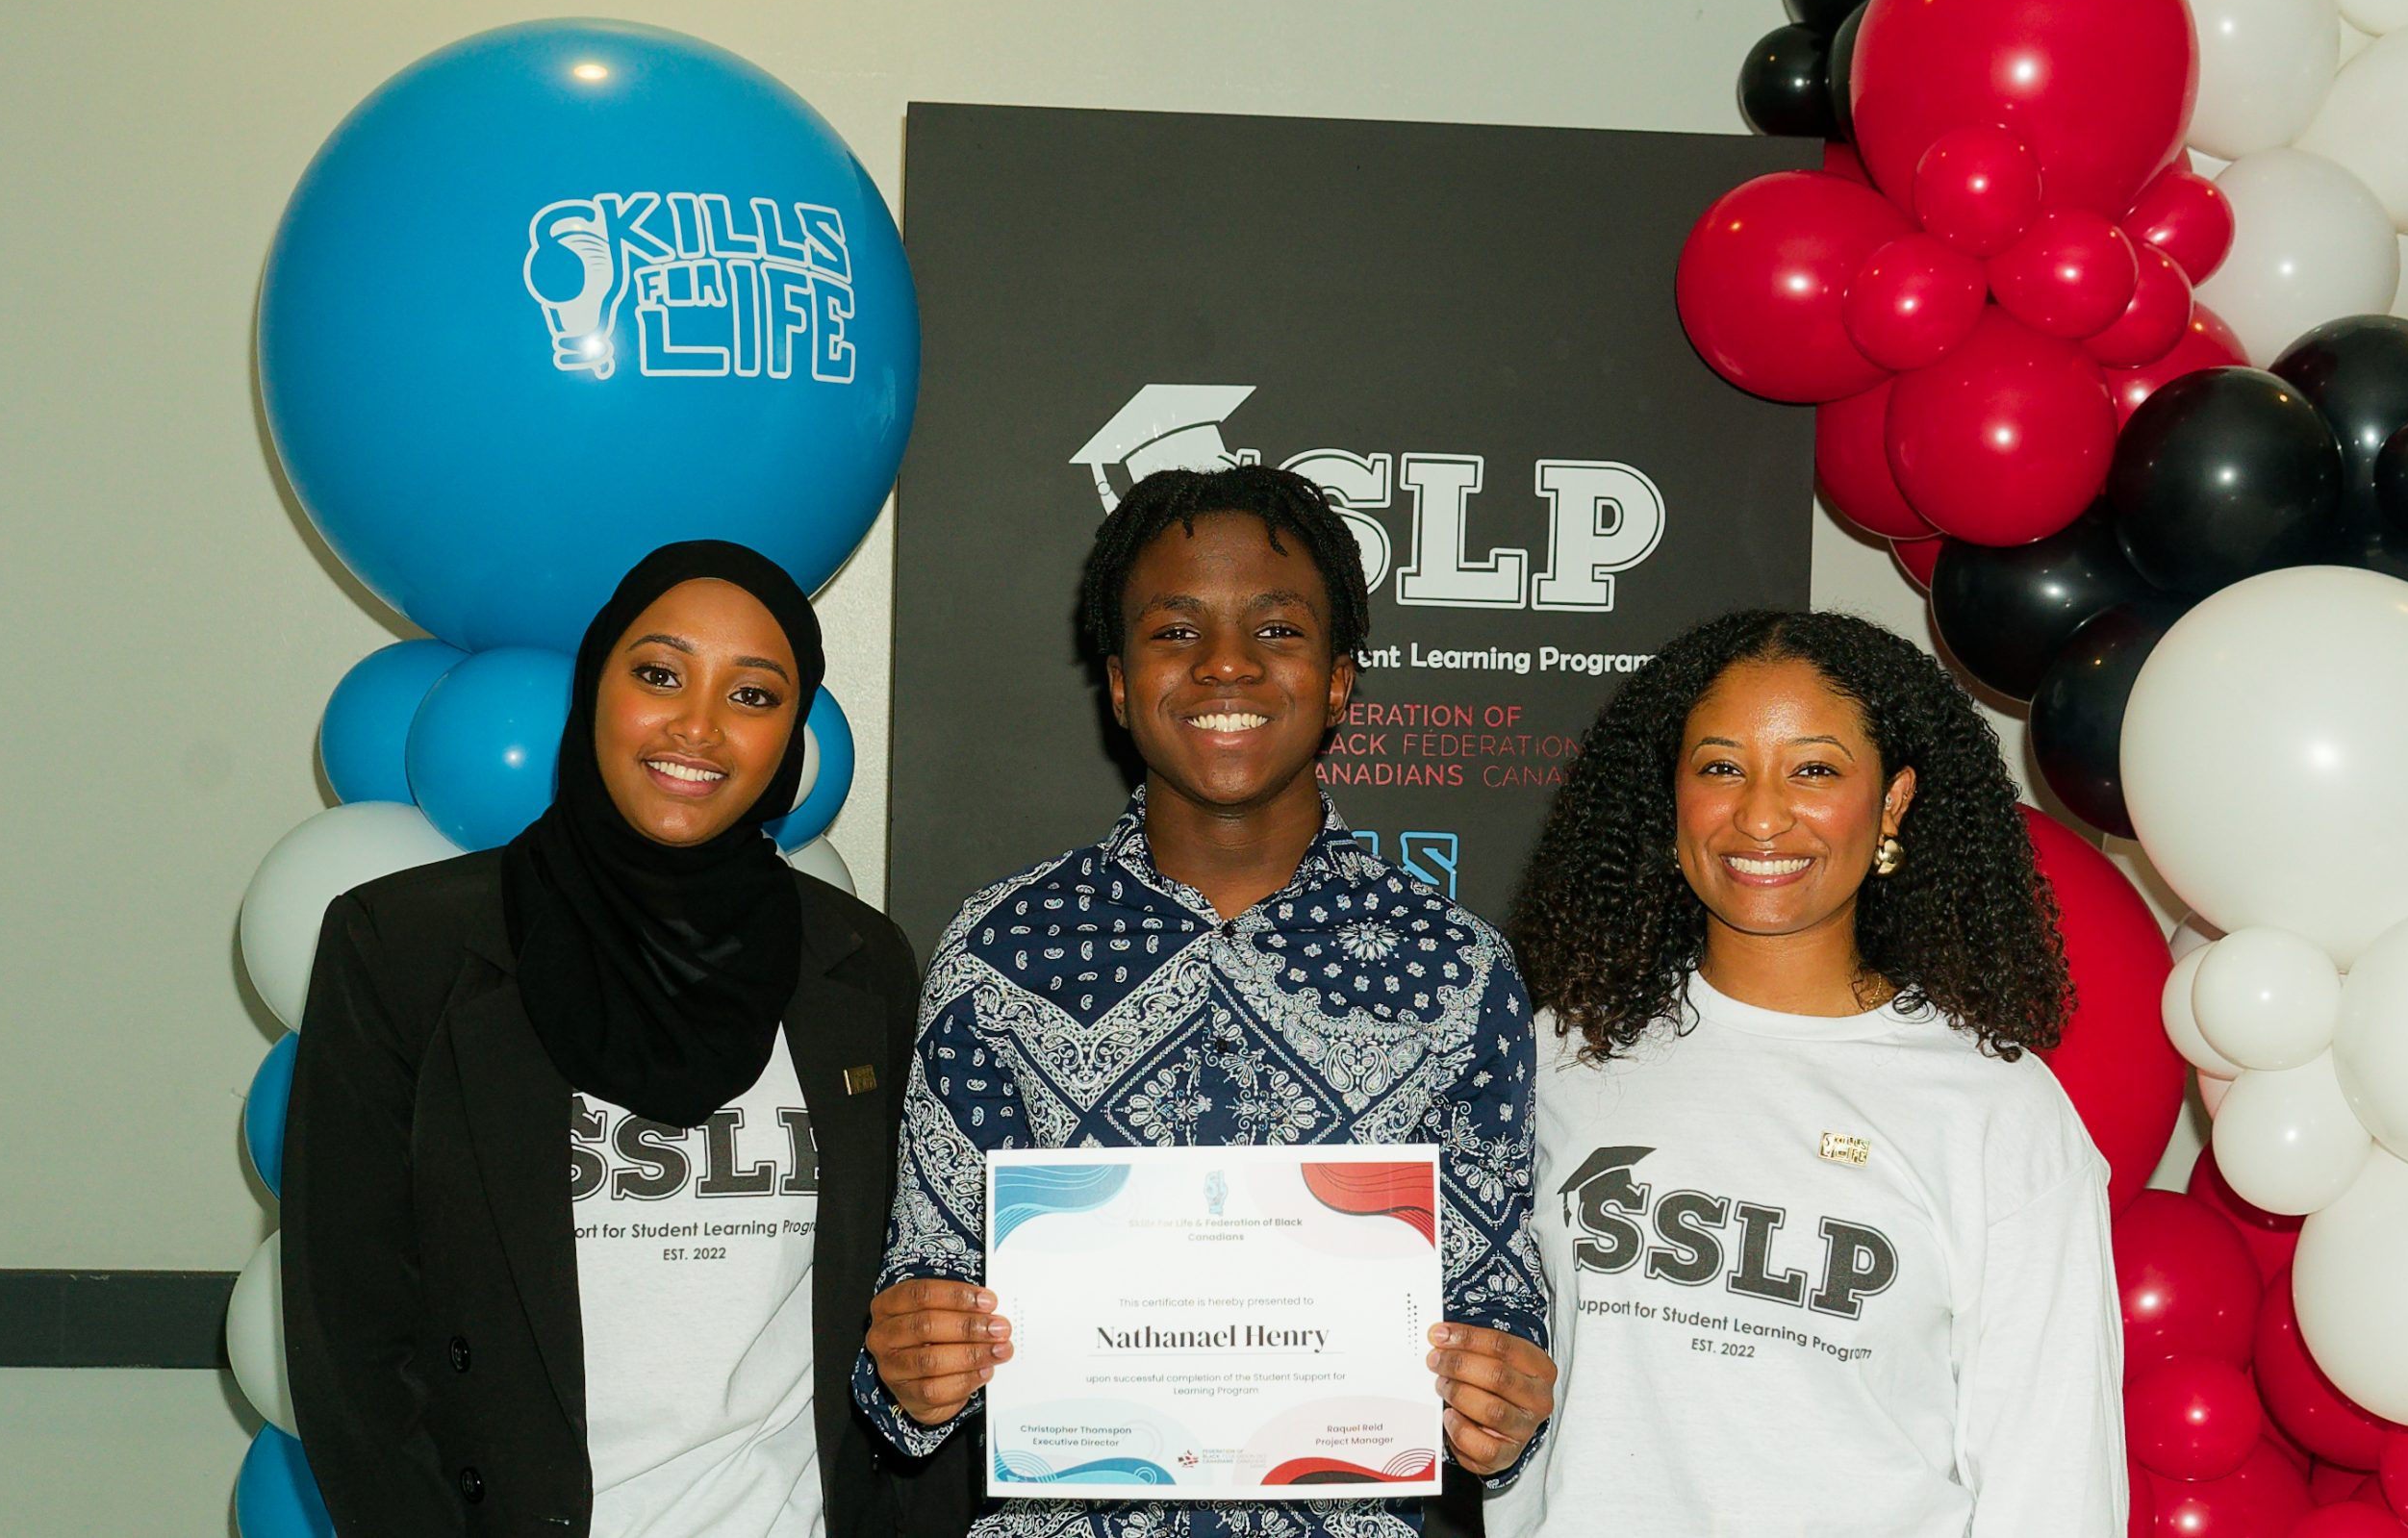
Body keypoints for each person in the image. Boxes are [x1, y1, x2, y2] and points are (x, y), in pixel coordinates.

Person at [851, 466, 1557, 1536]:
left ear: (1339, 681)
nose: (1227, 662)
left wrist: (1503, 1401)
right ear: (1119, 683)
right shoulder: (999, 956)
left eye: (1276, 629)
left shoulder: (1457, 972)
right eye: (1176, 631)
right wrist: (911, 1365)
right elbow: (923, 1291)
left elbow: (1496, 1309)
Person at [282, 541, 974, 1538]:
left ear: (789, 737)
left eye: (753, 694)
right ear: (595, 690)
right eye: (658, 674)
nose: (698, 726)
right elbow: (351, 1339)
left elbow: (902, 1292)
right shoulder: (403, 948)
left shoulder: (858, 962)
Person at [1483, 609, 2124, 1538]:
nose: (1760, 815)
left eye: (1814, 770)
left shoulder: (1994, 1108)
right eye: (1720, 767)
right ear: (1671, 792)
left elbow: (2055, 1483)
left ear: (1893, 802)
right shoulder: (1556, 1056)